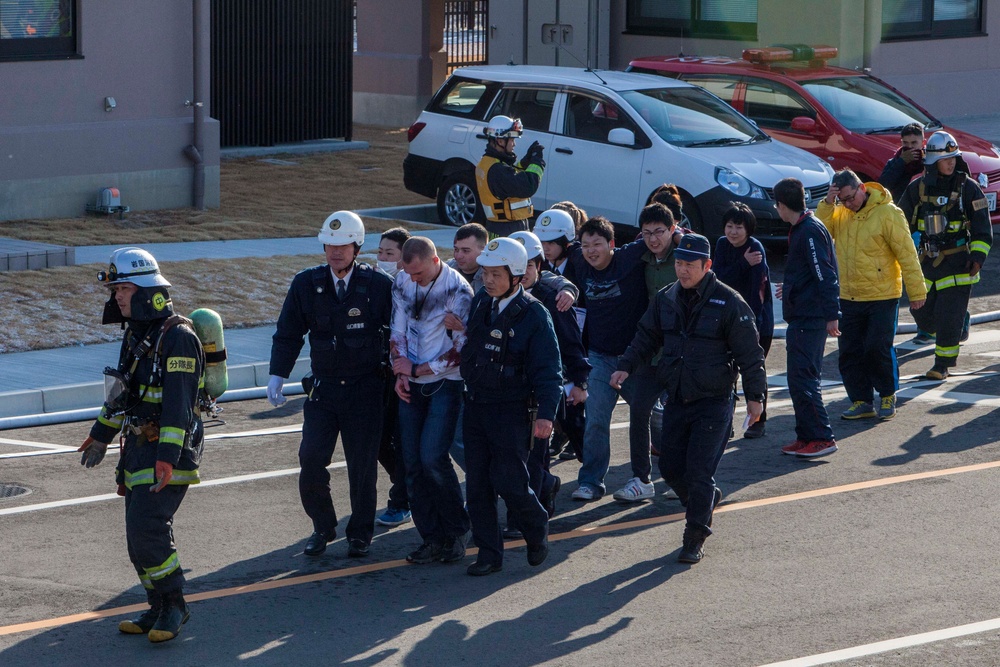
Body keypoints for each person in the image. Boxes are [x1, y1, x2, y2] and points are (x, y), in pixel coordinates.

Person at [611, 233, 766, 564]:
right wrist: (625, 366)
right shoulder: (667, 298)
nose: (682, 271)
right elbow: (646, 337)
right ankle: (704, 498)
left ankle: (695, 535)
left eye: (689, 265)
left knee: (698, 471)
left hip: (715, 400)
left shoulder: (730, 303)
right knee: (669, 467)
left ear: (707, 266)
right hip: (678, 396)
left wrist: (756, 398)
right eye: (679, 264)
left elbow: (750, 355)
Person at [78, 247, 205, 642]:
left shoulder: (178, 338)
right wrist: (100, 435)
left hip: (169, 449)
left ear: (148, 290)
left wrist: (167, 457)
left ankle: (176, 605)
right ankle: (157, 607)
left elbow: (178, 407)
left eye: (125, 288)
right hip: (137, 448)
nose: (117, 295)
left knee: (148, 528)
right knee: (137, 537)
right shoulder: (137, 333)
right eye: (115, 288)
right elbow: (123, 395)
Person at [267, 211, 393, 558]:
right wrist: (278, 373)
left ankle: (360, 533)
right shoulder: (306, 284)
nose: (335, 252)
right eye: (330, 245)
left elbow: (400, 333)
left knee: (362, 467)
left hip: (365, 389)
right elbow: (289, 333)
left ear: (357, 247)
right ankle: (323, 526)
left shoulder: (379, 285)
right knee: (310, 460)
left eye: (343, 245)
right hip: (324, 391)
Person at [461, 237, 563, 575]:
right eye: (486, 273)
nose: (488, 280)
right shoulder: (481, 303)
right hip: (476, 405)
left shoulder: (535, 315)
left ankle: (536, 527)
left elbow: (549, 371)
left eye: (496, 274)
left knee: (509, 481)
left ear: (517, 276)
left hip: (511, 410)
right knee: (477, 485)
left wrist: (547, 415)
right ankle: (489, 554)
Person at [817, 169, 927, 421]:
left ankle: (888, 393)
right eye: (841, 199)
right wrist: (827, 203)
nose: (847, 204)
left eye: (849, 198)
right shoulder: (840, 212)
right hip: (848, 295)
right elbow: (820, 232)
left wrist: (917, 290)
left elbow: (907, 253)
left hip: (882, 295)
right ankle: (861, 400)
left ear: (862, 189)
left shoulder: (888, 213)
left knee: (877, 348)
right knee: (849, 352)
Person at [390, 237, 473, 565]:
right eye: (409, 274)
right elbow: (397, 328)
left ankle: (456, 528)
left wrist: (420, 368)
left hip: (445, 384)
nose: (414, 280)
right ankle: (431, 538)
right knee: (411, 462)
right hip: (410, 381)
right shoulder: (402, 281)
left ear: (436, 261)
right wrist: (400, 369)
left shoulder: (459, 291)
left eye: (420, 274)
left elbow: (462, 349)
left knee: (432, 458)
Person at [898, 131, 992, 380]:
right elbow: (898, 222)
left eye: (954, 157)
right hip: (927, 262)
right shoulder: (917, 188)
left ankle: (942, 364)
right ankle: (961, 322)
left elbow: (983, 228)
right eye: (945, 158)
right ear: (932, 162)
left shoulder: (968, 189)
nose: (951, 162)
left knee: (948, 316)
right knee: (923, 315)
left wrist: (978, 257)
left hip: (959, 263)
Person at [510, 230, 590, 521]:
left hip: (545, 388)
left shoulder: (553, 298)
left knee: (537, 453)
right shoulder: (495, 296)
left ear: (540, 266)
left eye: (530, 265)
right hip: (508, 388)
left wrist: (580, 383)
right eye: (518, 266)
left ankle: (535, 510)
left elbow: (571, 344)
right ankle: (544, 487)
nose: (524, 272)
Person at [570, 216, 652, 500]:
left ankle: (668, 472)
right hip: (600, 357)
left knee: (652, 419)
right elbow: (551, 257)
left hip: (634, 358)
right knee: (595, 419)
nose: (591, 251)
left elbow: (662, 238)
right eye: (586, 245)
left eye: (598, 244)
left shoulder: (629, 257)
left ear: (612, 244)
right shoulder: (579, 262)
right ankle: (591, 481)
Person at [612, 202, 684, 502]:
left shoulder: (685, 256)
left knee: (683, 413)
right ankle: (641, 479)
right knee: (640, 408)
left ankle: (683, 476)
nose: (653, 239)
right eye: (647, 233)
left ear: (673, 230)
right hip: (653, 349)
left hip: (683, 352)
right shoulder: (640, 256)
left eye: (659, 232)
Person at [773, 179, 841, 458]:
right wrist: (788, 289)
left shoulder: (809, 231)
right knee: (797, 379)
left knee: (804, 378)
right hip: (802, 315)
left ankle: (822, 437)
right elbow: (808, 274)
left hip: (810, 318)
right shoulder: (803, 229)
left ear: (780, 205)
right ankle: (806, 436)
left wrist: (832, 315)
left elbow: (825, 274)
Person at [712, 203, 774, 439]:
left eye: (739, 227)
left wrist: (752, 326)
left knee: (753, 372)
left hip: (756, 321)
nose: (733, 232)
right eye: (729, 226)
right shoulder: (721, 245)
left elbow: (757, 291)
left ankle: (758, 421)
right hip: (727, 319)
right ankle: (725, 422)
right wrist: (742, 264)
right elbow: (717, 279)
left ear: (748, 229)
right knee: (726, 373)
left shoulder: (755, 248)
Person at [534, 207, 587, 461]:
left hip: (580, 343)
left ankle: (589, 461)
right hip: (558, 344)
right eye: (541, 241)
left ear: (566, 241)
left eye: (551, 242)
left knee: (576, 410)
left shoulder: (581, 262)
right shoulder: (540, 265)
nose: (545, 247)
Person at [374, 227, 413, 528]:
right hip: (378, 376)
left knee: (403, 440)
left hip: (408, 375)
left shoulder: (415, 286)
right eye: (380, 252)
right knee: (377, 441)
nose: (383, 258)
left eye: (390, 253)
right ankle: (407, 486)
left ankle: (401, 500)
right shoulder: (372, 285)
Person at [476, 115, 545, 238]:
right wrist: (537, 162)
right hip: (509, 230)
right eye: (512, 140)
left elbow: (512, 177)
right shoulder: (497, 170)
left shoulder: (489, 163)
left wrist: (526, 161)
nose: (514, 144)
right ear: (500, 141)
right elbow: (528, 186)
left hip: (500, 228)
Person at [878, 123, 925, 204]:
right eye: (905, 143)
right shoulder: (894, 162)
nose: (909, 147)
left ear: (923, 143)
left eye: (914, 143)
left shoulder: (928, 162)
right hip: (900, 206)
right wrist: (901, 162)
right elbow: (883, 187)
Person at [447, 222, 488, 294]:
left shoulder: (491, 278)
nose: (458, 256)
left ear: (483, 250)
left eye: (465, 251)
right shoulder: (446, 270)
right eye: (456, 250)